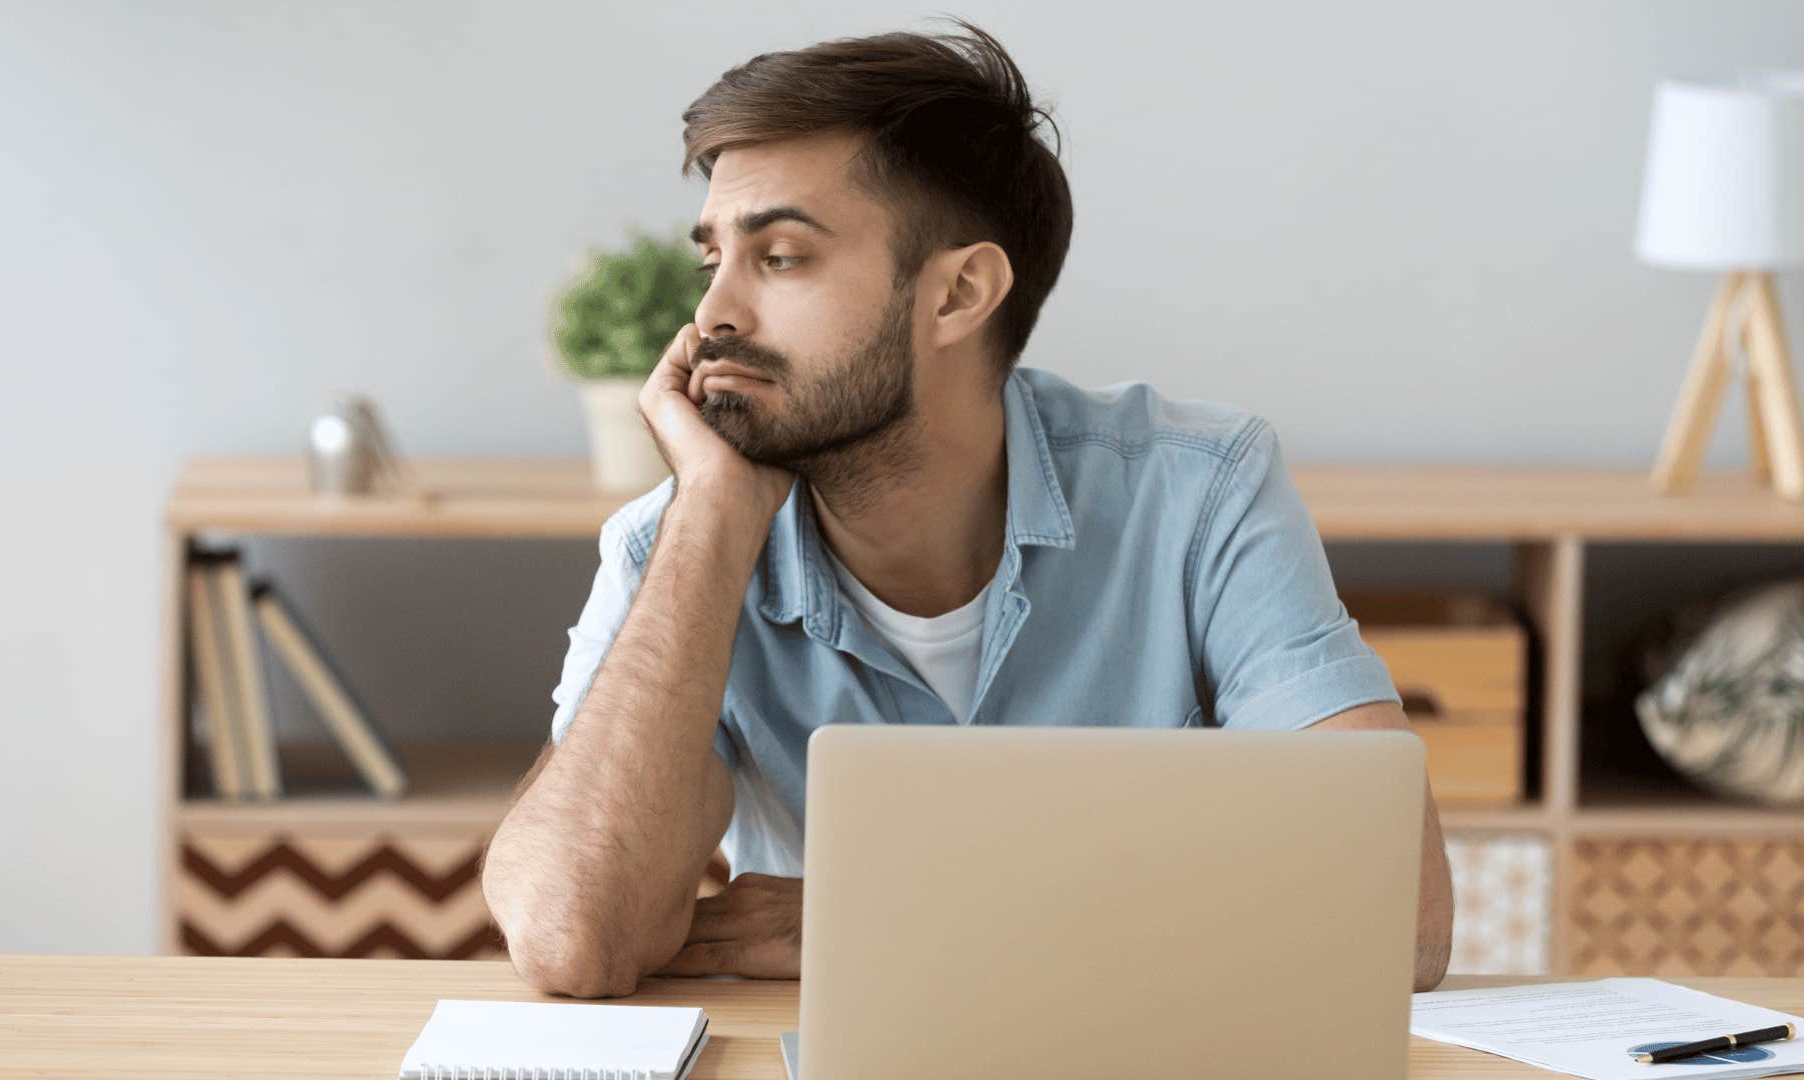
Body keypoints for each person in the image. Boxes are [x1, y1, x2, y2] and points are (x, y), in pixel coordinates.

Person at [481, 17, 1453, 1000]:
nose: (713, 318)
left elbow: (1395, 918)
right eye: (712, 261)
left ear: (958, 295)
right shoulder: (678, 543)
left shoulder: (1197, 492)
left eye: (778, 257)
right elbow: (572, 937)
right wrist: (710, 522)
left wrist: (885, 916)